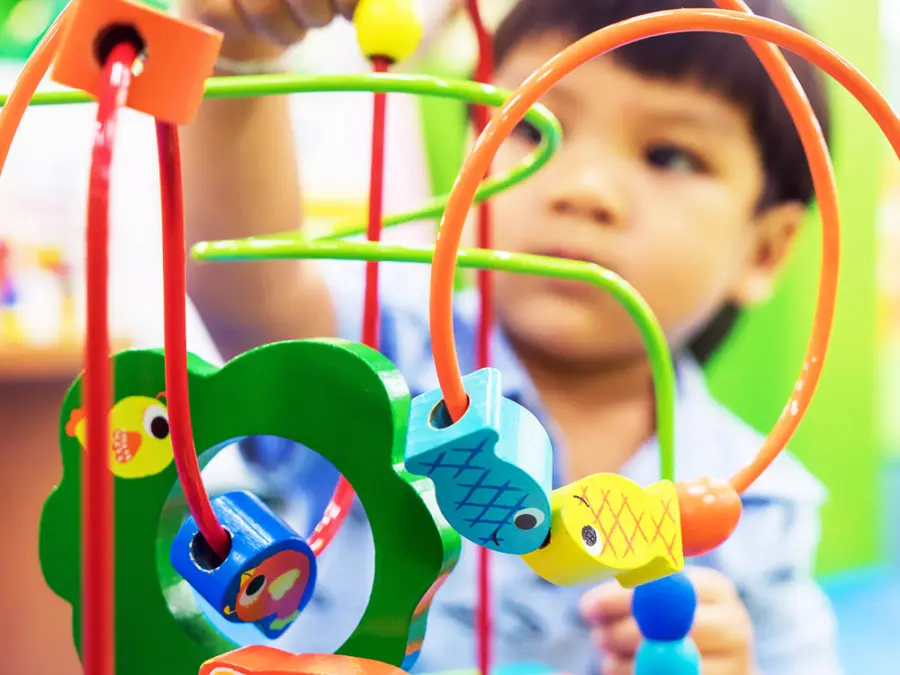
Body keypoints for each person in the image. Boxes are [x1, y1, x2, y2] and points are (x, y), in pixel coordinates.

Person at [177, 0, 840, 673]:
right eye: (530, 126)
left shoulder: (759, 505)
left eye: (668, 154)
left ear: (766, 249)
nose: (583, 189)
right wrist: (237, 47)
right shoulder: (386, 355)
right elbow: (245, 283)